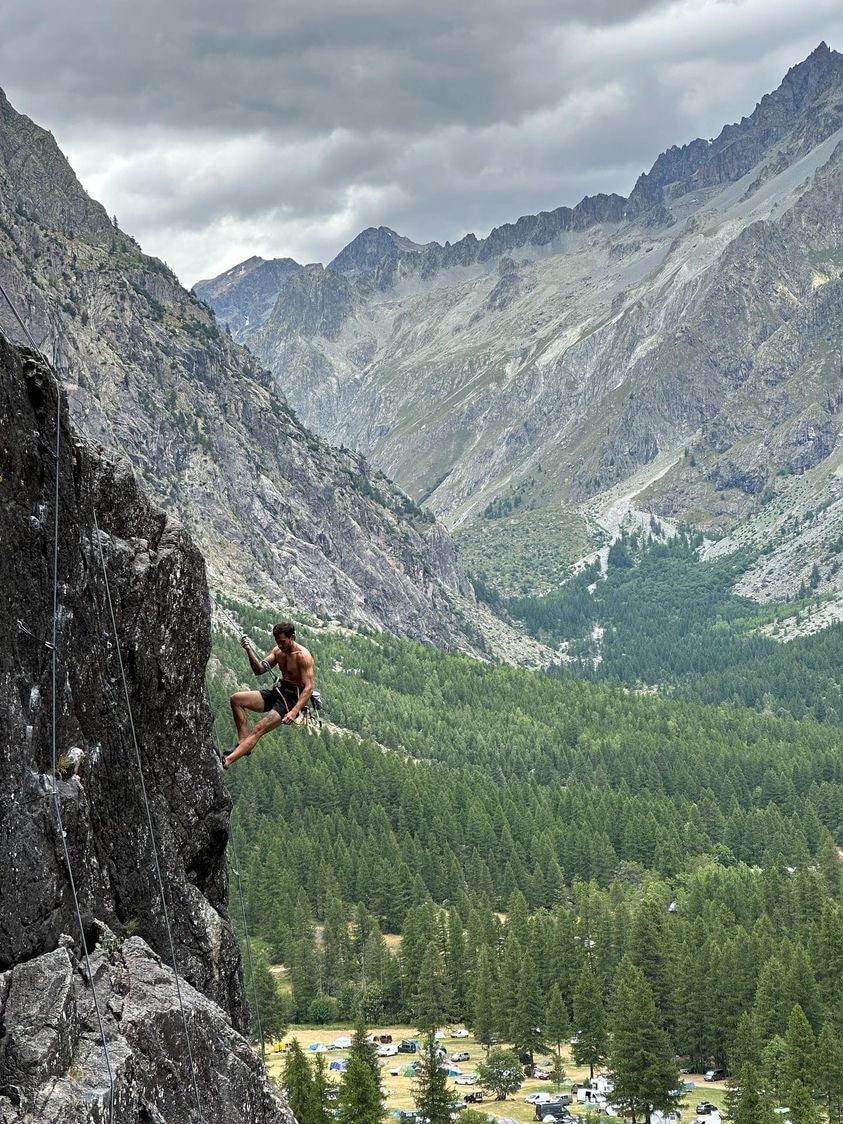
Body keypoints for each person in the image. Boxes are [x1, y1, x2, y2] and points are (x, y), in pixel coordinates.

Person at [223, 621, 315, 768]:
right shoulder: (278, 652)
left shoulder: (303, 656)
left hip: (291, 699)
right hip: (279, 691)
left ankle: (227, 761)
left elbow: (309, 688)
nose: (280, 645)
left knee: (259, 728)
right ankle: (243, 743)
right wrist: (248, 650)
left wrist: (294, 711)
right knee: (236, 700)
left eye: (283, 642)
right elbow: (259, 670)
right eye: (277, 642)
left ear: (292, 637)